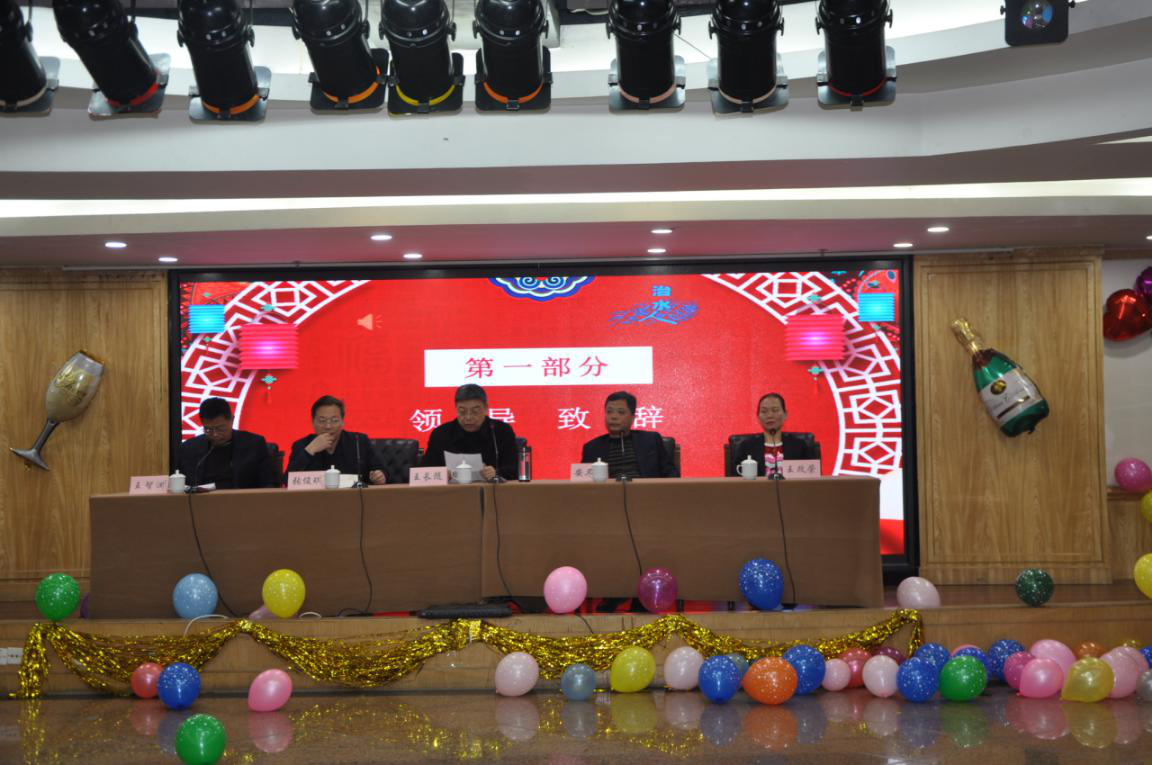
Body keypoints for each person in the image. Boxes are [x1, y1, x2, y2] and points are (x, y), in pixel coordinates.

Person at [421, 384, 518, 481]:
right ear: (456, 409)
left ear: (486, 409)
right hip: (451, 490)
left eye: (475, 412)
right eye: (462, 411)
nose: (468, 417)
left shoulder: (501, 431)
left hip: (492, 490)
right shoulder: (441, 433)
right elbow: (424, 471)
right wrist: (442, 474)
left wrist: (496, 473)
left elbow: (516, 469)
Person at [177, 397, 279, 489]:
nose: (215, 434)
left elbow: (270, 483)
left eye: (220, 428)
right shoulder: (189, 449)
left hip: (243, 501)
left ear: (232, 420)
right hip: (202, 502)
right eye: (208, 429)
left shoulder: (254, 444)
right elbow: (183, 485)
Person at [286, 395, 387, 485]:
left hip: (352, 498)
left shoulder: (359, 441)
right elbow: (287, 481)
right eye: (322, 421)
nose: (328, 426)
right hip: (314, 499)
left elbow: (383, 471)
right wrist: (310, 450)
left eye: (334, 420)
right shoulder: (302, 445)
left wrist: (380, 476)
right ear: (313, 422)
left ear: (342, 422)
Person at [581, 391, 678, 479]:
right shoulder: (592, 448)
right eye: (609, 412)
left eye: (621, 412)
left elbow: (671, 474)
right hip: (608, 493)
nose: (613, 417)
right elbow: (583, 483)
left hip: (646, 491)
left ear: (633, 418)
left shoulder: (651, 440)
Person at [732, 392, 820, 476]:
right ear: (758, 417)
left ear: (785, 415)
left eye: (775, 410)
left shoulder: (799, 446)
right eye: (764, 411)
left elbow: (813, 478)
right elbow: (735, 480)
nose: (770, 415)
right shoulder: (746, 447)